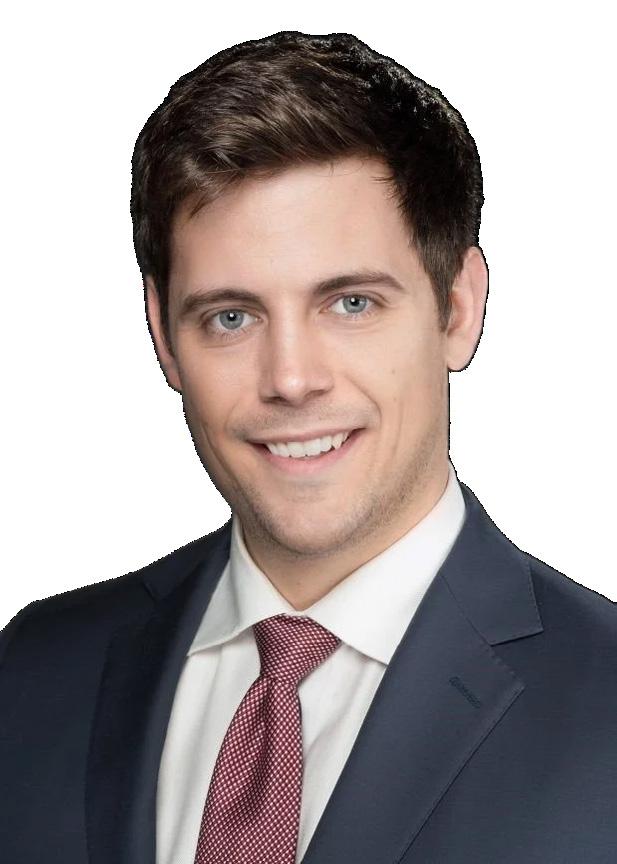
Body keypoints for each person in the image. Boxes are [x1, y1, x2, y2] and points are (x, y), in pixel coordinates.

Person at [1, 29, 616, 864]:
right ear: (163, 336)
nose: (290, 379)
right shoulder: (35, 669)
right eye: (230, 317)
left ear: (458, 307)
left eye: (351, 303)